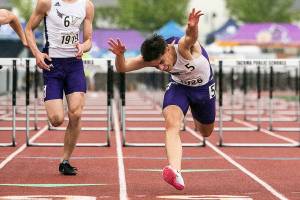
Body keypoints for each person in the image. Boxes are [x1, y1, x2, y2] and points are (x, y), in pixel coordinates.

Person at [108, 9, 215, 190]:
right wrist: (119, 55)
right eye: (157, 65)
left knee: (205, 132)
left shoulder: (182, 47)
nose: (161, 67)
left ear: (167, 49)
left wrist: (192, 27)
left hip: (203, 89)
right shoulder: (152, 57)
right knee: (171, 123)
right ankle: (175, 171)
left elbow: (190, 37)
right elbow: (123, 68)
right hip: (179, 87)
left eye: (162, 61)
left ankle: (194, 115)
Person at [25, 0, 94, 175]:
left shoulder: (87, 6)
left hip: (74, 65)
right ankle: (52, 99)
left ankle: (65, 160)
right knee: (56, 119)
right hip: (52, 65)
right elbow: (28, 29)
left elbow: (89, 41)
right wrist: (37, 53)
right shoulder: (46, 3)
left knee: (76, 113)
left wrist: (83, 47)